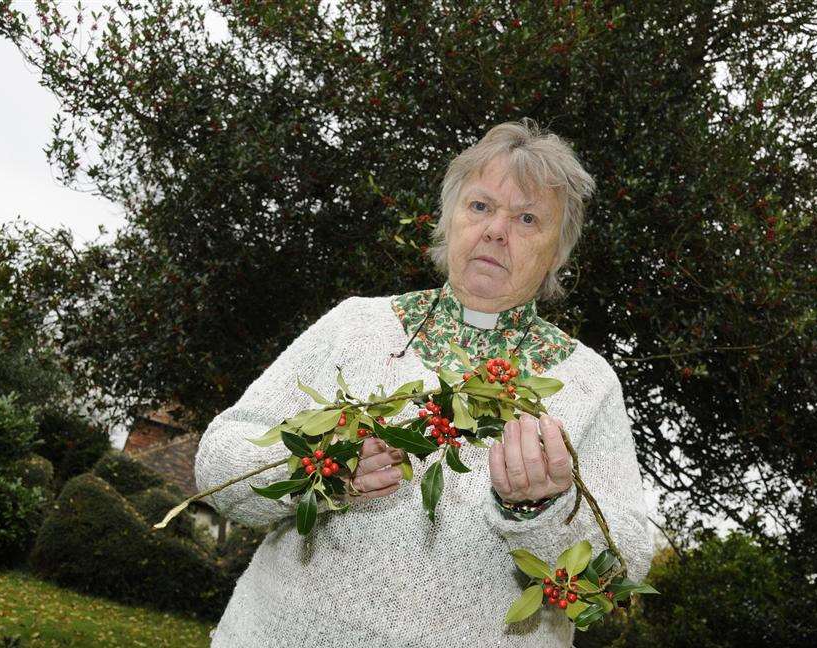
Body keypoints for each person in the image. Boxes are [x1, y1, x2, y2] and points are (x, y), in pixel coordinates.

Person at [194, 118, 655, 647]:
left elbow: (621, 567)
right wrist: (317, 466)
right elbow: (217, 464)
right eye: (480, 207)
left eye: (528, 218)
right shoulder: (356, 326)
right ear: (450, 220)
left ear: (557, 251)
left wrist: (542, 512)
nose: (496, 230)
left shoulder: (585, 381)